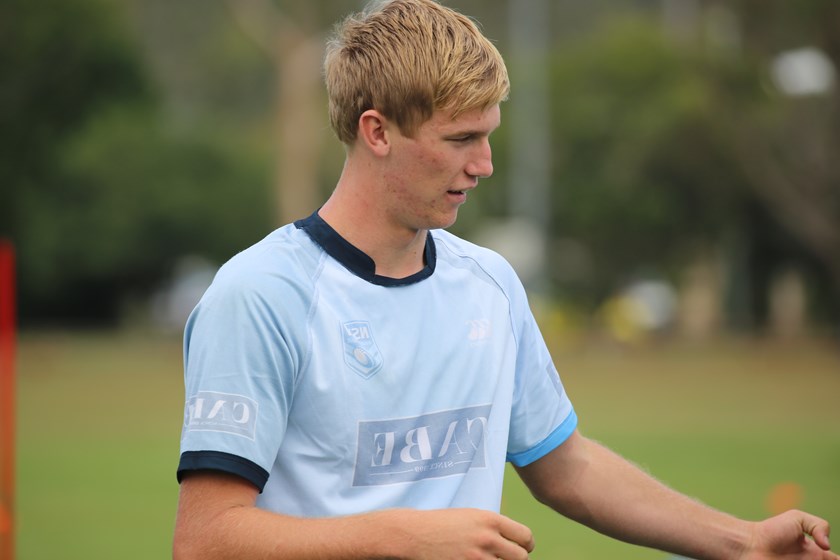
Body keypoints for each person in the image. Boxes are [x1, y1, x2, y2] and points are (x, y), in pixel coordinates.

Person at [172, 1, 836, 558]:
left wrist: (744, 542)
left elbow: (568, 469)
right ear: (376, 132)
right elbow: (204, 540)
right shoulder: (261, 295)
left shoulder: (488, 282)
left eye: (488, 135)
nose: (484, 164)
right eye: (461, 138)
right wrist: (404, 538)